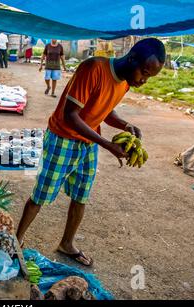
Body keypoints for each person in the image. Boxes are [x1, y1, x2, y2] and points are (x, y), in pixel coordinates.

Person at [16, 38, 166, 267]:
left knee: (81, 195)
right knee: (41, 194)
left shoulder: (125, 81)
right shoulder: (93, 68)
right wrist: (107, 144)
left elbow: (104, 109)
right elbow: (71, 114)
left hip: (88, 144)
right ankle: (17, 241)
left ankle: (67, 243)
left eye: (149, 77)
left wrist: (125, 125)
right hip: (63, 138)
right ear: (132, 58)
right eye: (144, 73)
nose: (143, 81)